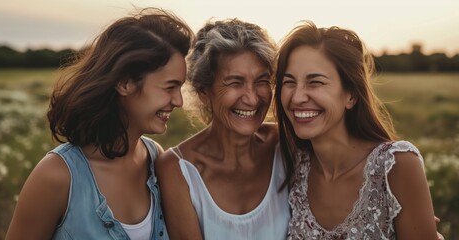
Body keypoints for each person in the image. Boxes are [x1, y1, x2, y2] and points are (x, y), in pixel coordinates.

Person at [5, 7, 193, 240]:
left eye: (180, 87)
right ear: (124, 83)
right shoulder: (56, 176)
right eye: (169, 87)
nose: (179, 101)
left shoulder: (156, 160)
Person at [274, 21, 438, 239]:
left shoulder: (395, 166)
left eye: (315, 82)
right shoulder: (293, 165)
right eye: (289, 82)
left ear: (350, 95)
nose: (297, 97)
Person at [156, 19, 290, 240]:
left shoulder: (284, 143)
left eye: (262, 80)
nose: (252, 98)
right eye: (235, 83)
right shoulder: (177, 169)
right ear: (203, 91)